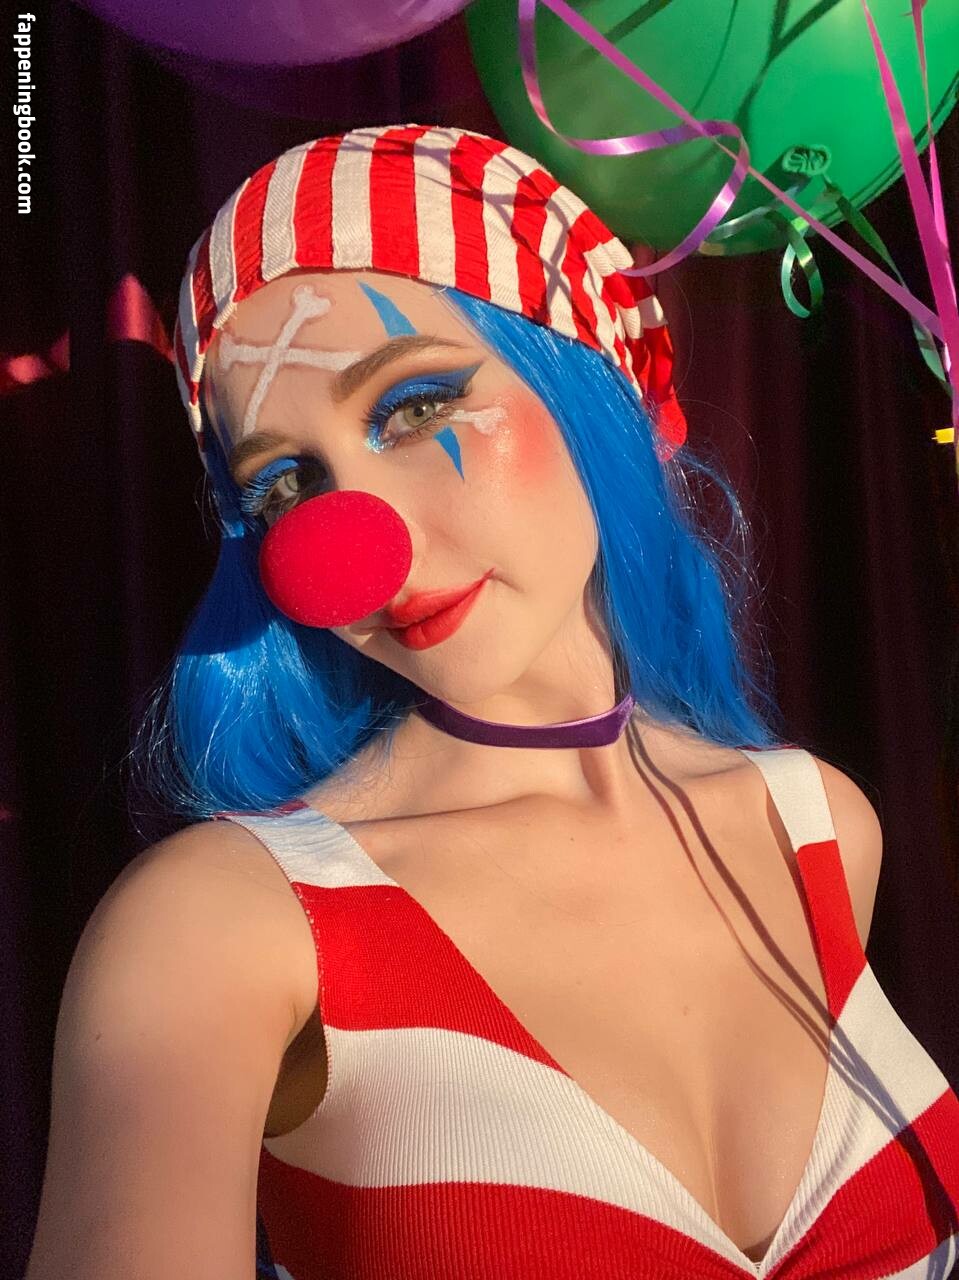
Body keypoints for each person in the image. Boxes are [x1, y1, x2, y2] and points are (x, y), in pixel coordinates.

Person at [26, 126, 959, 1280]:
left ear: (594, 376)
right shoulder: (220, 929)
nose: (360, 544)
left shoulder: (812, 823)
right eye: (284, 485)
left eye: (414, 406)